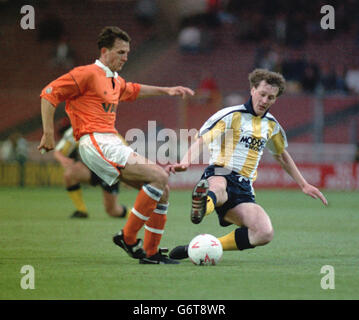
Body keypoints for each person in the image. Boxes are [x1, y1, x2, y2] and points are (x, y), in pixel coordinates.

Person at [38, 26, 194, 264]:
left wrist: (167, 90)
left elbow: (134, 90)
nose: (125, 57)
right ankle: (128, 237)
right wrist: (48, 133)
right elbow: (49, 93)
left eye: (127, 53)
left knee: (162, 189)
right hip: (94, 141)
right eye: (120, 52)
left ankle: (151, 253)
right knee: (159, 176)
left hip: (111, 141)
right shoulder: (87, 73)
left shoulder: (114, 81)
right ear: (104, 51)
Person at [166, 68, 328, 261]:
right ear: (252, 90)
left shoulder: (271, 125)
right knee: (218, 189)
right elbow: (203, 139)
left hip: (244, 188)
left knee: (264, 233)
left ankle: (203, 247)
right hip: (220, 170)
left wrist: (304, 184)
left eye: (271, 97)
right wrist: (185, 162)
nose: (265, 101)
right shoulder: (231, 115)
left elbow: (282, 156)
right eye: (262, 94)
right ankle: (202, 203)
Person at [54, 125, 128, 219]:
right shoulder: (76, 129)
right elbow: (58, 152)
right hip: (90, 170)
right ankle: (81, 211)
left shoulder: (107, 128)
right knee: (70, 174)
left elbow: (125, 153)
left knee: (113, 211)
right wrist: (63, 159)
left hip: (109, 172)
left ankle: (139, 216)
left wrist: (126, 175)